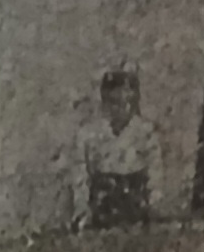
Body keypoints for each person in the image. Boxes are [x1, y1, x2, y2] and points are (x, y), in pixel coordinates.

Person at [69, 65, 163, 227]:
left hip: (136, 209)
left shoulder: (145, 133)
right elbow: (80, 177)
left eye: (129, 103)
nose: (122, 109)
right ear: (104, 102)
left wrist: (153, 204)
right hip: (101, 208)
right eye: (114, 102)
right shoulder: (88, 135)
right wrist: (82, 209)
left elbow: (155, 174)